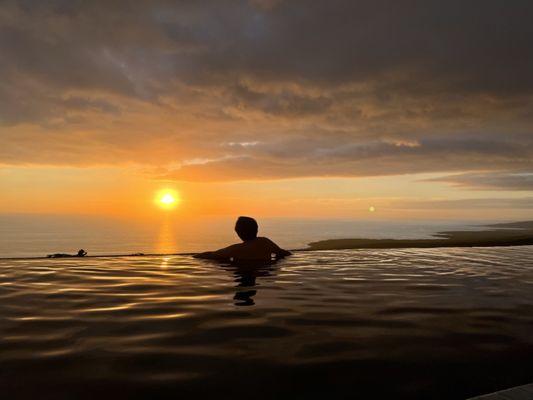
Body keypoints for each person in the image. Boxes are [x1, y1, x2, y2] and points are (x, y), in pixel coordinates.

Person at [194, 216, 292, 262]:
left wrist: (195, 256)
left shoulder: (236, 249)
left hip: (244, 271)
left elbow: (213, 255)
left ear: (238, 232)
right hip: (264, 270)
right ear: (256, 229)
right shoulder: (266, 242)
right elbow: (284, 253)